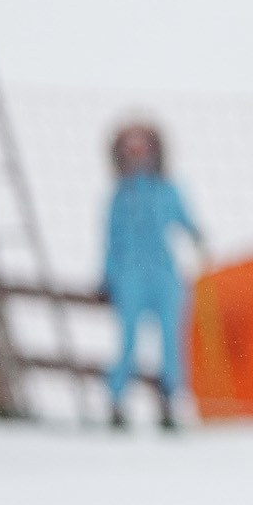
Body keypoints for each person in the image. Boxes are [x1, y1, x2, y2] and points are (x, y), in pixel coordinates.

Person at [103, 122, 204, 431]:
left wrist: (197, 235)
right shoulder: (120, 196)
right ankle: (117, 399)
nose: (138, 155)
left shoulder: (167, 190)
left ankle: (169, 399)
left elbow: (185, 220)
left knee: (172, 338)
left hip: (163, 273)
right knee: (129, 339)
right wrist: (106, 276)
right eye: (131, 150)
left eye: (143, 148)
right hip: (130, 275)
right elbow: (111, 240)